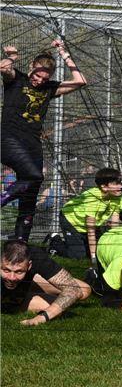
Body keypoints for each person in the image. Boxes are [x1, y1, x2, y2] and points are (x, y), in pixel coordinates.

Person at [1, 40, 88, 241]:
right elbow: (3, 68)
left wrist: (63, 53)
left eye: (44, 78)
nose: (39, 81)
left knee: (30, 196)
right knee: (34, 176)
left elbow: (81, 80)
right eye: (37, 75)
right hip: (8, 137)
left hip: (33, 143)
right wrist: (12, 57)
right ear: (31, 66)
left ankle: (20, 243)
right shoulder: (17, 79)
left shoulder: (49, 88)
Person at [1, 240, 90, 326]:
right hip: (9, 296)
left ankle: (32, 284)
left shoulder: (36, 256)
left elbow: (74, 289)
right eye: (6, 270)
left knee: (84, 290)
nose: (12, 277)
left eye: (19, 271)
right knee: (54, 309)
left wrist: (41, 318)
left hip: (28, 282)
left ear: (29, 265)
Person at [59, 167, 122, 261]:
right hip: (70, 220)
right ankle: (55, 242)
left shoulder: (117, 196)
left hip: (87, 224)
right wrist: (94, 260)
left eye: (120, 183)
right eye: (116, 184)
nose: (120, 186)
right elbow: (91, 231)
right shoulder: (93, 199)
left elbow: (115, 225)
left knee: (99, 250)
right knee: (78, 257)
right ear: (104, 187)